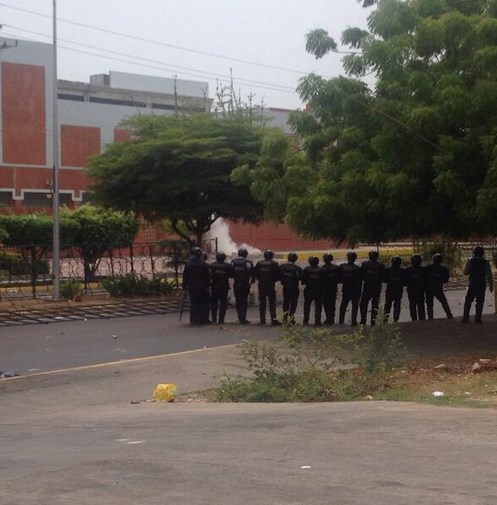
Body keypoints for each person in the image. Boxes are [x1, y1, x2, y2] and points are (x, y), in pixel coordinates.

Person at [462, 246, 493, 324]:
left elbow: (465, 272)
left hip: (473, 283)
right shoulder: (486, 262)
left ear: (474, 253)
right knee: (480, 301)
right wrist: (491, 285)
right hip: (481, 284)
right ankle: (478, 318)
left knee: (468, 301)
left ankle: (465, 318)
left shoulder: (470, 261)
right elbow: (489, 275)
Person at [182, 247, 211, 325]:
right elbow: (208, 276)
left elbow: (185, 276)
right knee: (203, 303)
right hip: (203, 287)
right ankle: (203, 319)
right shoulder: (204, 265)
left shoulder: (188, 264)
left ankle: (194, 319)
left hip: (192, 287)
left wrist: (184, 286)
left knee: (194, 303)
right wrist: (208, 285)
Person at [254, 249, 281, 325]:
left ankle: (262, 320)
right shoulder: (274, 264)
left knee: (262, 303)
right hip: (270, 285)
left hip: (261, 285)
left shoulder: (259, 263)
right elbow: (278, 275)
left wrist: (260, 279)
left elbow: (255, 273)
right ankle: (273, 319)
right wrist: (273, 280)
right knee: (272, 303)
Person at [359, 250, 386, 326]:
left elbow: (362, 275)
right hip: (376, 287)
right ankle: (373, 321)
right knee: (375, 304)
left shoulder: (365, 264)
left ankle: (363, 320)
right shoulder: (381, 266)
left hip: (367, 287)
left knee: (364, 304)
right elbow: (383, 277)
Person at [231, 247, 255, 324]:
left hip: (236, 284)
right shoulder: (248, 262)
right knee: (244, 301)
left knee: (238, 301)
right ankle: (243, 318)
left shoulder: (233, 262)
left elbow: (230, 273)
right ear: (246, 254)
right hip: (245, 284)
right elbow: (252, 273)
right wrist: (251, 282)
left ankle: (240, 318)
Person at [425, 253, 453, 320]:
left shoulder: (428, 268)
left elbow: (424, 277)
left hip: (429, 288)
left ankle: (430, 317)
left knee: (429, 304)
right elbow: (446, 280)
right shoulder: (443, 269)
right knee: (443, 301)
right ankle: (449, 315)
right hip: (438, 288)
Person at [339, 251, 362, 326]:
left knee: (343, 305)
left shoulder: (342, 267)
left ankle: (341, 320)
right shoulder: (358, 268)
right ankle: (353, 321)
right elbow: (359, 281)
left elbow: (340, 278)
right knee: (354, 306)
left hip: (346, 289)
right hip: (355, 290)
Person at [210, 252, 234, 324]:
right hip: (224, 287)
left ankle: (214, 319)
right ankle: (221, 319)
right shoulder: (228, 266)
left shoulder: (212, 265)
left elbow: (210, 275)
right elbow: (232, 275)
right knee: (223, 303)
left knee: (214, 303)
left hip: (214, 286)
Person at [279, 252, 302, 324]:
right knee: (293, 303)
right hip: (294, 288)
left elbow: (278, 275)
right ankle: (291, 319)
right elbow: (301, 278)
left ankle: (284, 319)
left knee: (286, 303)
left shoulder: (282, 267)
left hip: (285, 287)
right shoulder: (297, 268)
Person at [405, 254, 426, 321]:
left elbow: (404, 282)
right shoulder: (423, 270)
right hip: (420, 290)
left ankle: (414, 318)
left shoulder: (407, 270)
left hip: (411, 290)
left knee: (412, 305)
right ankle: (422, 318)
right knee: (421, 305)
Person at [302, 256, 323, 326]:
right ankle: (317, 321)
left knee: (307, 305)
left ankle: (305, 320)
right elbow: (324, 281)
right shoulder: (321, 270)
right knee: (318, 306)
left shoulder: (306, 270)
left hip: (309, 289)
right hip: (318, 290)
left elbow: (303, 280)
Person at [383, 256, 405, 322]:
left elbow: (384, 279)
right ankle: (396, 319)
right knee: (397, 304)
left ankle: (385, 319)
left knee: (387, 305)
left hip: (390, 290)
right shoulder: (402, 271)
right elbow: (404, 282)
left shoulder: (388, 270)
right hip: (398, 290)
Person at [321, 253, 341, 325]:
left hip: (325, 289)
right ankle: (331, 318)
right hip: (333, 288)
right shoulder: (336, 268)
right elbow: (339, 278)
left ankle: (328, 318)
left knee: (326, 304)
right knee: (332, 304)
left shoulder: (322, 269)